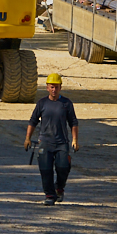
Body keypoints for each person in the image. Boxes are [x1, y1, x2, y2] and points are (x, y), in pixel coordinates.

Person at [23, 72, 80, 205]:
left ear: (61, 87)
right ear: (47, 87)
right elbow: (33, 121)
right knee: (45, 170)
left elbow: (73, 123)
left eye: (56, 87)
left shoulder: (66, 103)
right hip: (45, 142)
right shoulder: (42, 103)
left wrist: (75, 140)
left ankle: (59, 188)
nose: (54, 89)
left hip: (62, 143)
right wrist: (27, 138)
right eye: (51, 87)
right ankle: (49, 195)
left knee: (63, 167)